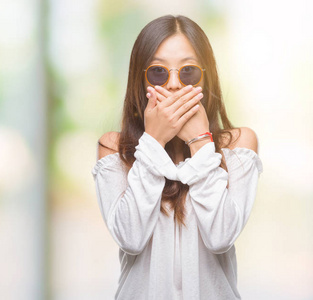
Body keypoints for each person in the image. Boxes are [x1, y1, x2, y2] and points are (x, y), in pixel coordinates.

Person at [91, 15, 263, 300]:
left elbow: (221, 237)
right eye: (158, 72)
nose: (173, 84)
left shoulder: (239, 144)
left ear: (206, 79)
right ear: (140, 78)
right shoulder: (115, 148)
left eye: (188, 72)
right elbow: (130, 240)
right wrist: (153, 142)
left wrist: (200, 143)